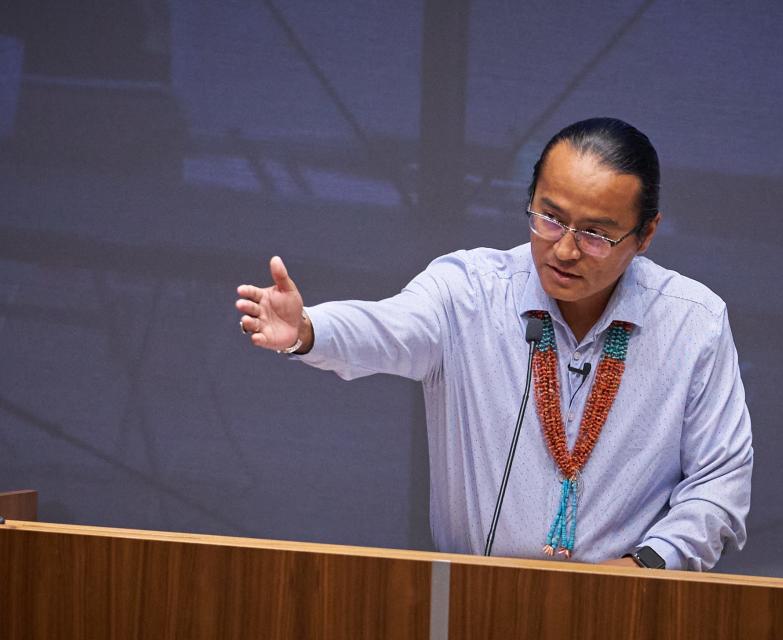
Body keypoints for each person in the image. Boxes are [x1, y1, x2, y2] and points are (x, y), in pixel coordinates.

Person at [236, 117, 753, 571]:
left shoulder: (693, 323)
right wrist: (308, 330)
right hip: (475, 609)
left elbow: (719, 483)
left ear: (646, 234)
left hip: (627, 611)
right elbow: (388, 328)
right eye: (550, 217)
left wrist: (643, 568)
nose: (566, 249)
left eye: (597, 234)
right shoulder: (469, 291)